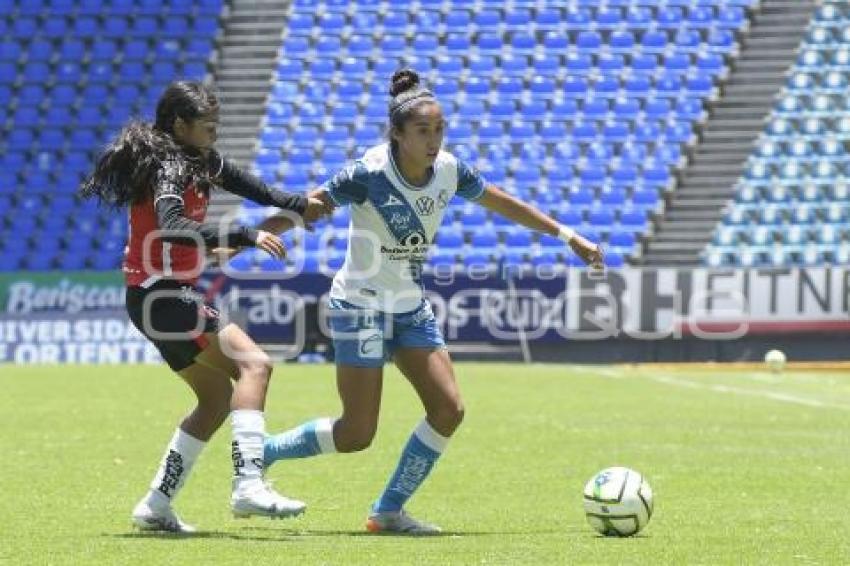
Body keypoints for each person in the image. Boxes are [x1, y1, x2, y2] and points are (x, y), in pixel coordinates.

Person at [260, 69, 603, 534]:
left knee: (449, 409)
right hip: (359, 306)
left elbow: (502, 202)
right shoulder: (367, 173)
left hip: (409, 308)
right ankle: (263, 451)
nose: (434, 140)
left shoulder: (449, 171)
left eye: (440, 130)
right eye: (423, 131)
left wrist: (567, 235)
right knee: (357, 434)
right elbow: (308, 205)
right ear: (398, 134)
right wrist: (246, 238)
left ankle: (387, 512)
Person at [80, 80, 332, 533]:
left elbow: (252, 187)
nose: (215, 133)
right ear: (180, 125)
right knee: (255, 365)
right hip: (164, 294)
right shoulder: (169, 167)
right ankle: (249, 484)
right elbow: (172, 226)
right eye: (207, 125)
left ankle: (156, 503)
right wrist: (244, 235)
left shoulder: (201, 160)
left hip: (153, 298)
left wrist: (301, 206)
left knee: (215, 400)